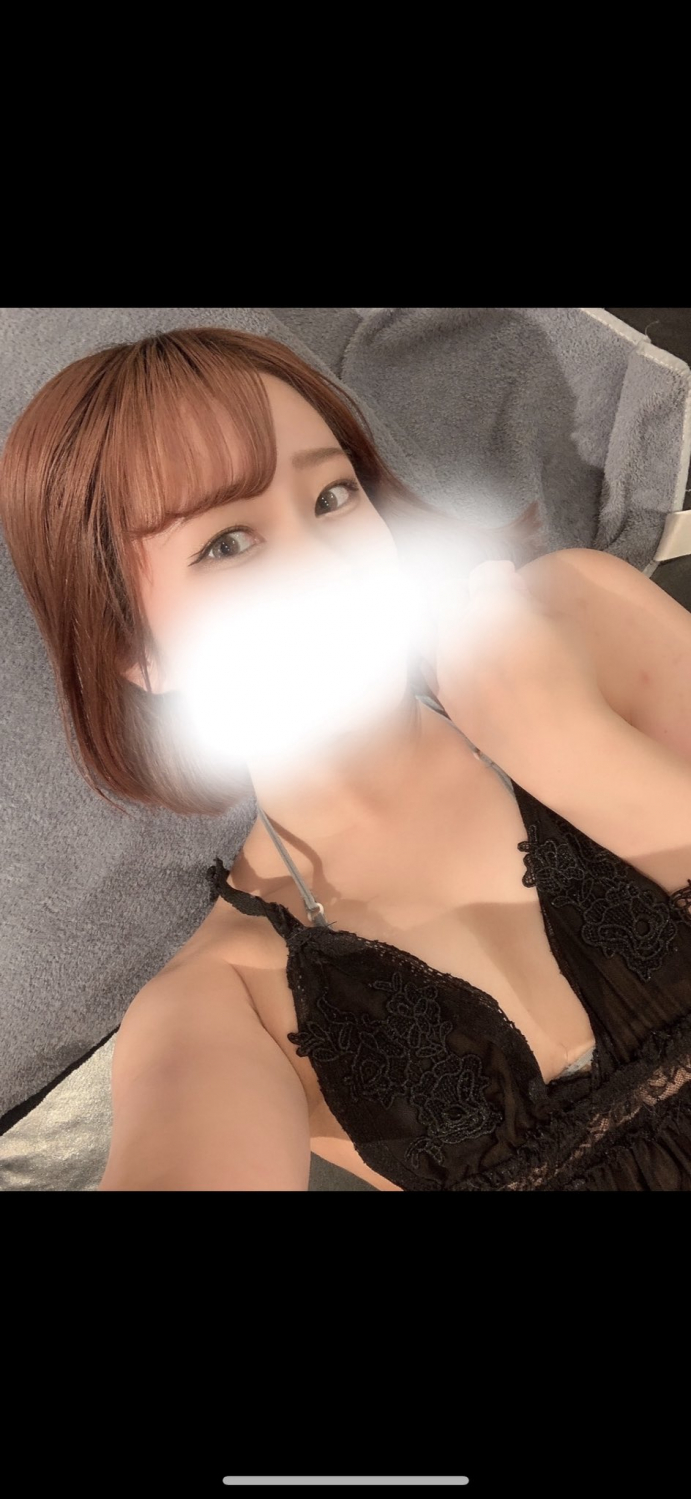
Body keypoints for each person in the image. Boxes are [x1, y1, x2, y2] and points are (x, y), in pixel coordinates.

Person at [1, 326, 689, 1192]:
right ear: (136, 651)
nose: (329, 561)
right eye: (227, 542)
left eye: (332, 496)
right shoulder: (224, 1002)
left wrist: (573, 747)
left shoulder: (580, 618)